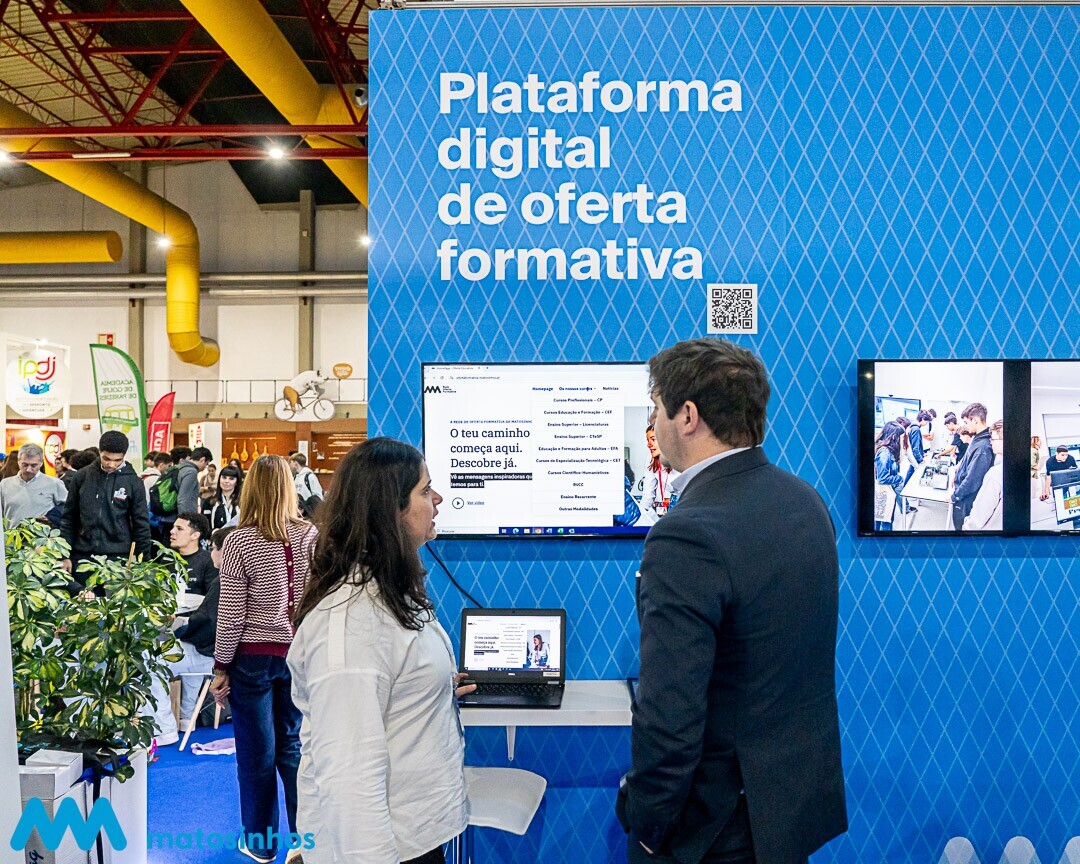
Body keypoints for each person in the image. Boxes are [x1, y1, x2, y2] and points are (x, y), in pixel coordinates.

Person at [617, 338, 845, 864]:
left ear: (687, 416)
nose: (652, 421)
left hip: (710, 830)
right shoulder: (806, 501)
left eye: (655, 408)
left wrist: (647, 824)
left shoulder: (686, 534)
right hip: (787, 812)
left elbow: (670, 714)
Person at [288, 438, 473, 864]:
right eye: (425, 490)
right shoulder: (351, 623)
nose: (438, 499)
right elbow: (351, 778)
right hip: (383, 848)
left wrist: (429, 687)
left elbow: (387, 687)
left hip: (415, 835)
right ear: (392, 510)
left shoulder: (387, 593)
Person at [210, 455, 318, 864]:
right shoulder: (310, 535)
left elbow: (231, 613)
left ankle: (261, 844)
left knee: (256, 754)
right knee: (293, 748)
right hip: (299, 655)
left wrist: (221, 667)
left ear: (249, 488)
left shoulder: (239, 541)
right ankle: (306, 842)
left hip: (252, 659)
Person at [147, 525, 231, 747]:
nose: (211, 553)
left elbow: (207, 624)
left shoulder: (223, 581)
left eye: (213, 548)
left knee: (149, 662)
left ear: (224, 551)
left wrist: (180, 629)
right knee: (185, 651)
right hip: (223, 653)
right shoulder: (235, 578)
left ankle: (163, 729)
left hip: (214, 655)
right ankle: (186, 719)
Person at [59, 431, 152, 583]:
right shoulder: (82, 477)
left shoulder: (134, 482)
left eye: (117, 460)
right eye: (106, 459)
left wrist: (145, 562)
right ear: (99, 451)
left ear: (124, 455)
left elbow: (141, 524)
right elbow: (69, 519)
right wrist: (64, 555)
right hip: (82, 556)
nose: (111, 465)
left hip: (118, 558)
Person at [0, 443, 68, 527]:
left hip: (42, 535)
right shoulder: (5, 484)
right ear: (18, 461)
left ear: (41, 463)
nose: (28, 469)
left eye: (33, 465)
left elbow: (68, 507)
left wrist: (52, 517)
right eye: (25, 465)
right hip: (11, 534)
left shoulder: (55, 484)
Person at [951, 403, 994, 531]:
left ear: (975, 420)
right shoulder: (977, 439)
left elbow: (972, 480)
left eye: (966, 422)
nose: (965, 426)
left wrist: (955, 496)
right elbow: (966, 460)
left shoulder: (983, 447)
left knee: (961, 529)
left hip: (966, 499)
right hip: (963, 495)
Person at [964, 420, 1004, 531]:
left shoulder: (996, 475)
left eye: (993, 439)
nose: (990, 442)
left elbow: (978, 517)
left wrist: (966, 527)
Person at [170, 511, 217, 594]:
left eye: (179, 529)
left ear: (195, 535)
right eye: (173, 527)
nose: (172, 531)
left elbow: (212, 595)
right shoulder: (168, 558)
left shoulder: (209, 561)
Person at [873, 421, 907, 531]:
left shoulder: (887, 449)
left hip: (887, 490)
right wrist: (899, 478)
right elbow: (882, 478)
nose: (902, 439)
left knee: (880, 519)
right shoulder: (884, 452)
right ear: (894, 437)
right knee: (885, 522)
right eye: (901, 437)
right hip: (885, 490)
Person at [641, 424, 679, 519]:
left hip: (689, 500)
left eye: (653, 439)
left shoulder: (681, 457)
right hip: (673, 501)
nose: (649, 445)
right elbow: (648, 492)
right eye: (648, 440)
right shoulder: (650, 459)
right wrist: (642, 513)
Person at [208, 465, 243, 530]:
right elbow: (204, 527)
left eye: (231, 479)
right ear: (219, 479)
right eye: (224, 477)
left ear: (236, 482)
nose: (226, 481)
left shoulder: (243, 502)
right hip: (216, 536)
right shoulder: (210, 501)